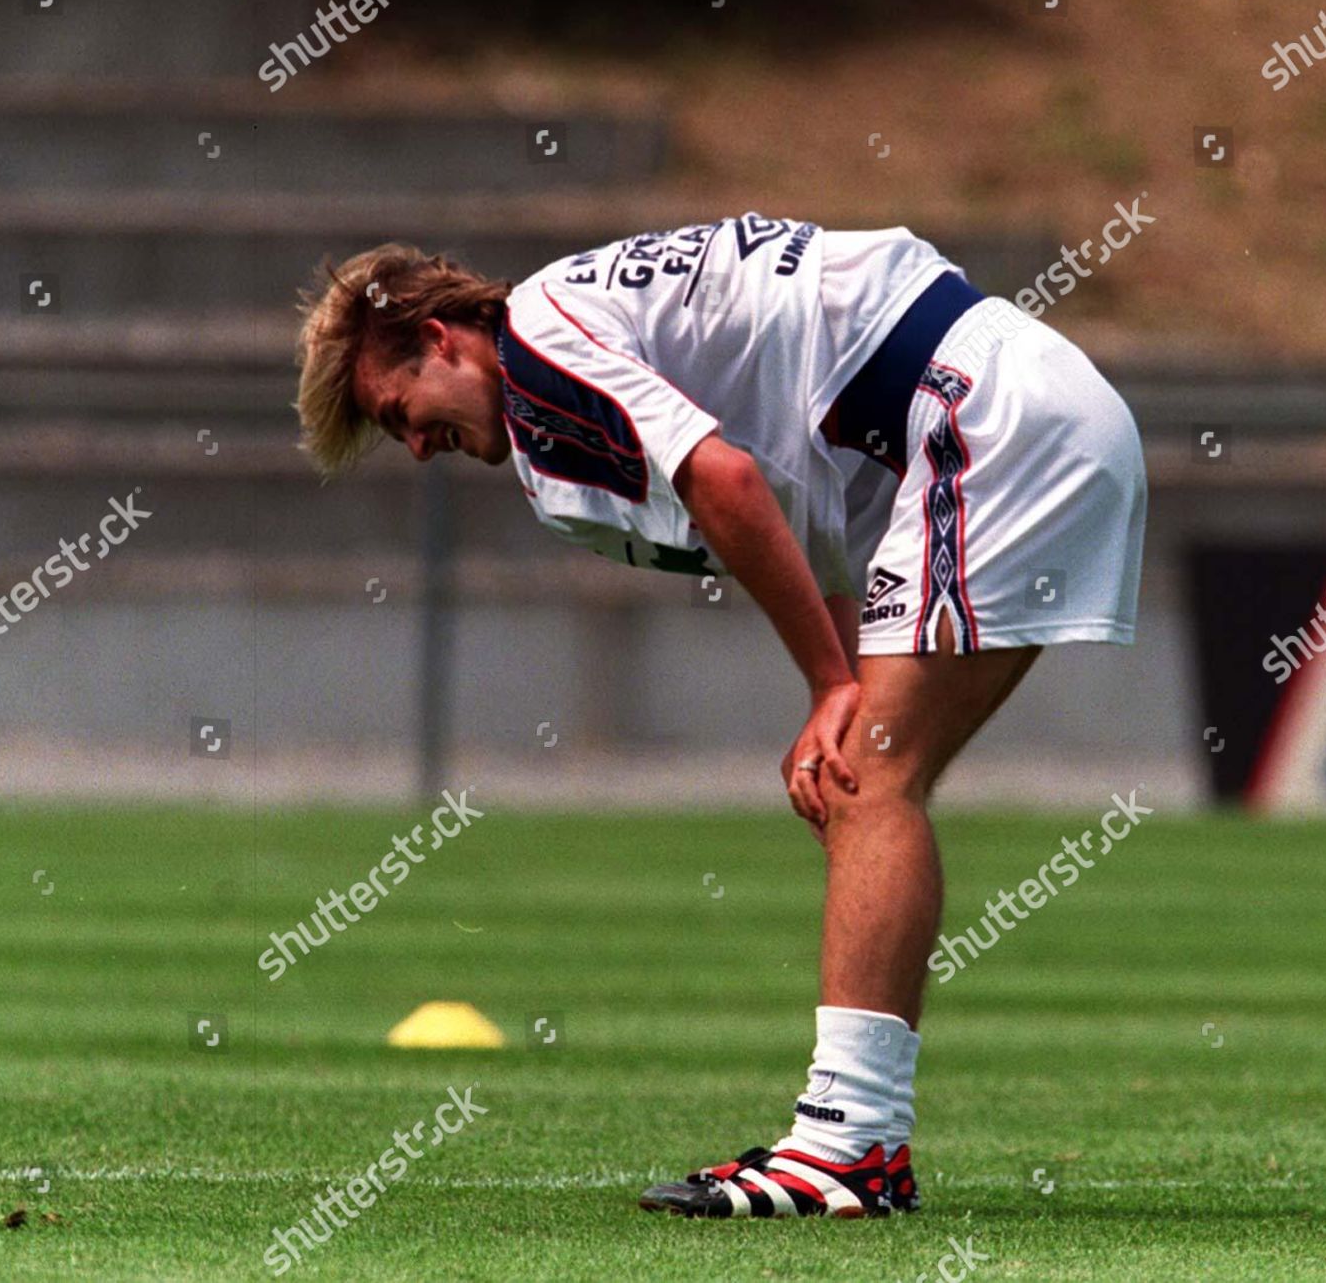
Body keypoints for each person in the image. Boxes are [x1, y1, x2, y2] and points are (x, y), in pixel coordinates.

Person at [294, 214, 1146, 1218]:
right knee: (864, 778)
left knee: (870, 779)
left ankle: (849, 1149)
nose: (420, 447)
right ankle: (854, 1144)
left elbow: (728, 483)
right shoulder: (569, 320)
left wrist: (835, 689)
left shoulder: (541, 341)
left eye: (401, 413)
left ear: (440, 339)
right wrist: (832, 684)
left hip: (992, 416)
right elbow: (798, 513)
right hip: (1020, 397)